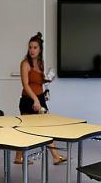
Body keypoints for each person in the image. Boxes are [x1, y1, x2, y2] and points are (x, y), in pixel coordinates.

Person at [17, 32, 65, 165]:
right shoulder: (25, 64)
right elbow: (26, 84)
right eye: (30, 47)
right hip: (29, 99)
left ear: (40, 49)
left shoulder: (41, 63)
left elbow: (38, 82)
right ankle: (19, 157)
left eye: (35, 47)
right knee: (24, 130)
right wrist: (35, 100)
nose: (32, 50)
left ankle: (55, 156)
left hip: (40, 97)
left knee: (46, 126)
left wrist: (48, 80)